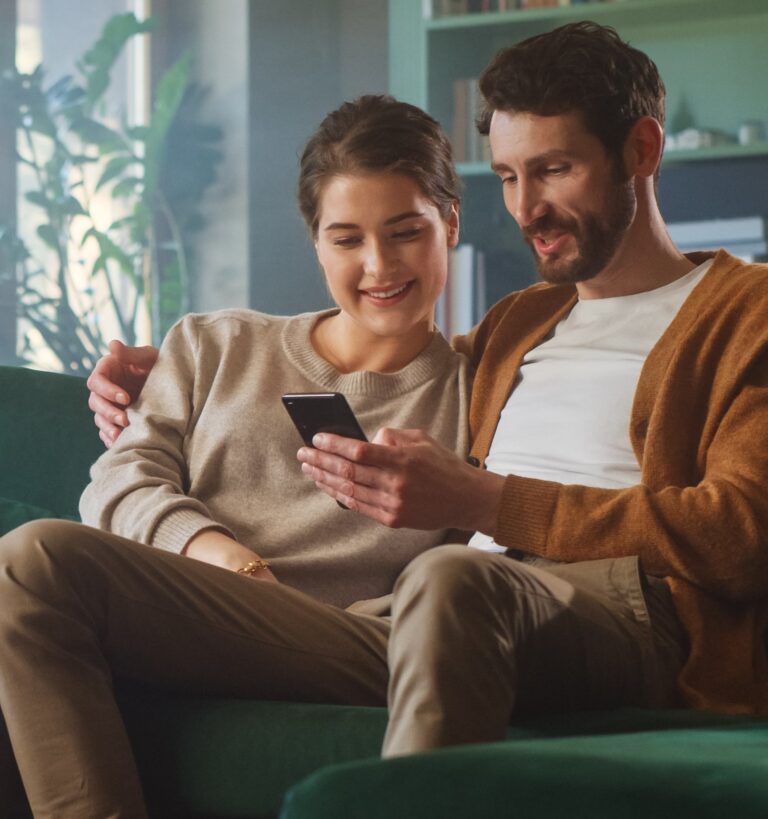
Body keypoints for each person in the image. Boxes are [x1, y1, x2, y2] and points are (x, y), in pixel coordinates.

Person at [91, 22, 768, 757]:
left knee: (450, 578)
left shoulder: (745, 314)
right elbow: (397, 352)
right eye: (509, 176)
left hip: (621, 606)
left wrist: (485, 502)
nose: (524, 207)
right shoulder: (518, 325)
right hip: (439, 605)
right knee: (35, 569)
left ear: (642, 149)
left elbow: (736, 533)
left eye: (554, 169)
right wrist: (167, 375)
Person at [0, 95, 472, 817]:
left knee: (30, 561)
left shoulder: (484, 390)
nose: (378, 265)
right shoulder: (213, 344)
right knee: (21, 579)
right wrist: (230, 563)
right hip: (193, 606)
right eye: (346, 239)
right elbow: (117, 483)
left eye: (406, 232)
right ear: (316, 242)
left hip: (352, 641)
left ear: (450, 224)